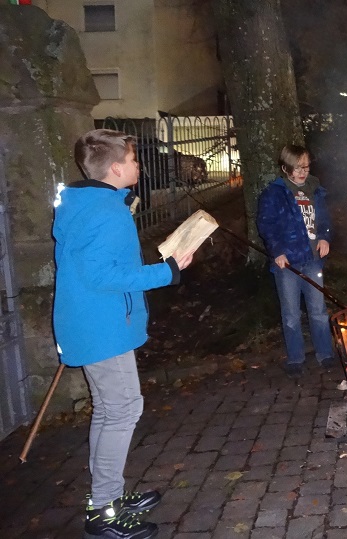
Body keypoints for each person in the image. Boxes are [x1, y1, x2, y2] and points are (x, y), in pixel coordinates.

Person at [54, 129, 193, 539]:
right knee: (123, 410)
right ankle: (103, 512)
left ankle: (107, 497)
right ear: (116, 168)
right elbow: (104, 275)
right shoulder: (105, 211)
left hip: (94, 322)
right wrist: (168, 270)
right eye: (133, 160)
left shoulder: (89, 203)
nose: (138, 166)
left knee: (110, 409)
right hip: (101, 326)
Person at [257, 144, 334, 378]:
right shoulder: (274, 194)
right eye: (297, 168)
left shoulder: (316, 191)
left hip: (312, 261)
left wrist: (324, 237)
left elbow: (324, 221)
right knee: (290, 312)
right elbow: (266, 225)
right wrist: (277, 251)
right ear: (285, 168)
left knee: (318, 310)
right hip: (287, 263)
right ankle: (296, 357)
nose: (302, 172)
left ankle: (325, 353)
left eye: (306, 167)